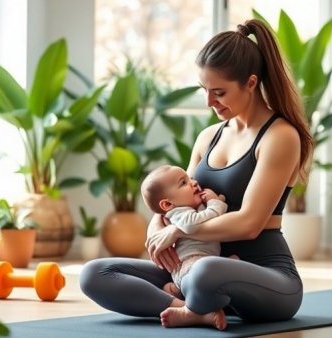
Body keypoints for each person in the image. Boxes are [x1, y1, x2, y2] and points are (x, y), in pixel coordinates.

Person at [80, 19, 314, 331]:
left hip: (265, 276)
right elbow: (175, 203)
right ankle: (193, 309)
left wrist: (177, 232)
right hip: (190, 269)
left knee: (207, 272)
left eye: (219, 92)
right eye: (205, 90)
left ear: (251, 83)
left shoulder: (280, 136)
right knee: (95, 274)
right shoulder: (208, 137)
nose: (209, 102)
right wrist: (156, 228)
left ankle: (197, 300)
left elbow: (249, 224)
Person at [140, 165, 227, 298]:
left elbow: (207, 217)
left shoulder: (190, 207)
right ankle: (186, 301)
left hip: (201, 260)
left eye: (190, 178)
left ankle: (177, 293)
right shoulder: (178, 213)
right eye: (184, 183)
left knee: (209, 271)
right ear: (168, 205)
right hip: (189, 263)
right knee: (203, 273)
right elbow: (191, 224)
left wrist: (215, 202)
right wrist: (215, 203)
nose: (194, 182)